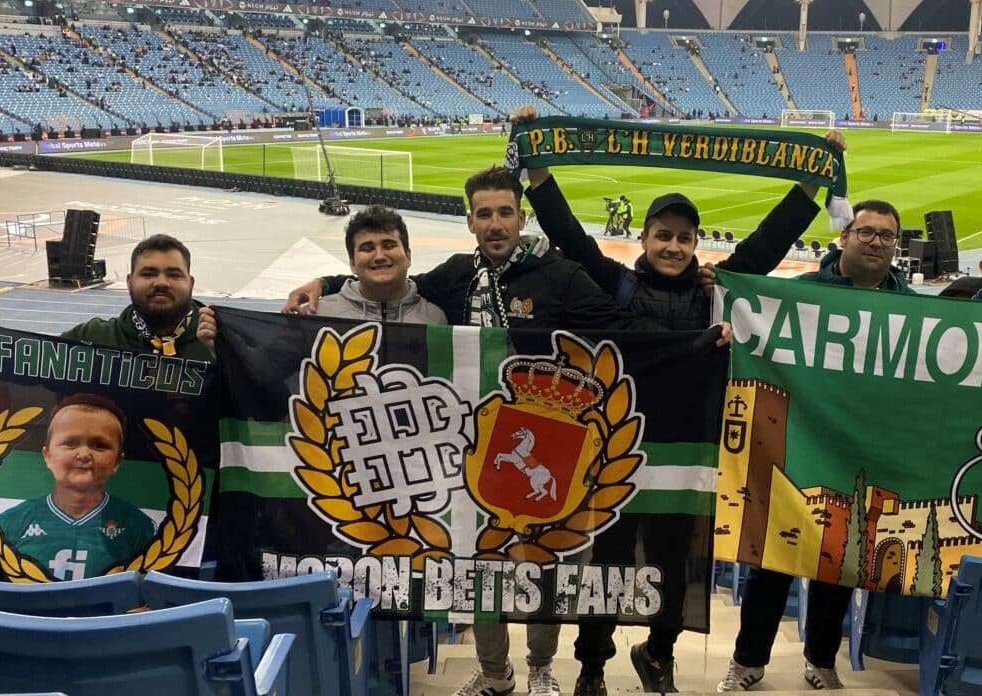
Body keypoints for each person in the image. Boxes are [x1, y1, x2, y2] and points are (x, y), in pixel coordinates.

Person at [285, 166, 715, 696]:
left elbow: (619, 326)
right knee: (477, 561)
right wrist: (325, 284)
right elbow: (392, 280)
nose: (495, 223)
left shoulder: (558, 274)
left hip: (549, 445)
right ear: (470, 220)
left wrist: (696, 344)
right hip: (469, 448)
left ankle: (541, 666)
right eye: (484, 214)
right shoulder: (453, 275)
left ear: (520, 216)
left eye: (504, 212)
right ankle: (495, 672)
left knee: (546, 560)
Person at [521, 112, 827, 695]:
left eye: (684, 238)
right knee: (607, 565)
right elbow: (568, 235)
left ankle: (658, 654)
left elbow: (766, 244)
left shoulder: (717, 288)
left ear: (695, 243)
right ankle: (591, 667)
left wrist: (810, 184)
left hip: (687, 451)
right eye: (664, 235)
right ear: (644, 239)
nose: (674, 246)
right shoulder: (615, 283)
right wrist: (536, 169)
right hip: (616, 451)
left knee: (674, 565)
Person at [718, 199, 913, 693]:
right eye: (865, 231)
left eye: (886, 235)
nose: (875, 241)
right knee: (774, 561)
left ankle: (821, 659)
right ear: (843, 237)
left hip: (864, 453)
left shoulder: (914, 308)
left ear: (896, 244)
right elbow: (754, 329)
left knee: (842, 565)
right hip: (798, 444)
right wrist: (735, 330)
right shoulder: (803, 295)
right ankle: (747, 661)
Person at [0, 234, 215, 361]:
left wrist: (221, 353)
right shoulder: (93, 338)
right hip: (122, 477)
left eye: (174, 274)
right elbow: (27, 364)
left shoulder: (223, 341)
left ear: (190, 283)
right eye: (149, 273)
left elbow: (257, 394)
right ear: (130, 281)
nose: (162, 283)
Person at [0, 393, 155, 581]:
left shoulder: (139, 526)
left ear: (117, 461)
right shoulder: (9, 523)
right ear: (47, 456)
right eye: (70, 443)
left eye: (99, 445)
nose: (84, 454)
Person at [315, 206, 446, 323]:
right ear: (352, 263)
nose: (379, 256)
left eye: (388, 246)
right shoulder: (318, 315)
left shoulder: (435, 319)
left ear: (408, 256)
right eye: (367, 248)